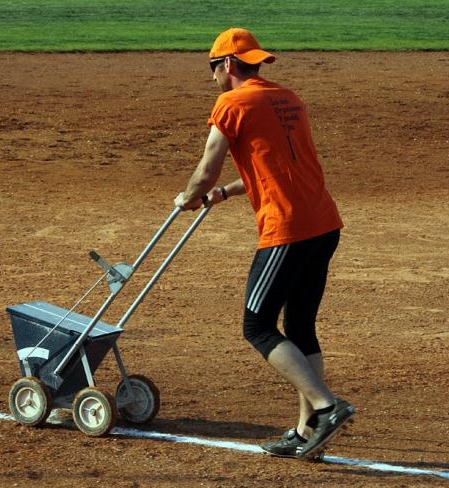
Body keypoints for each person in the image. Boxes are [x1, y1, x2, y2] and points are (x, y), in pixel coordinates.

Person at [174, 27, 355, 460]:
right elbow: (275, 166)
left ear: (228, 65)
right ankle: (305, 429)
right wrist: (226, 194)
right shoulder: (288, 98)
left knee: (256, 326)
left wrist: (191, 195)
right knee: (300, 327)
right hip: (323, 224)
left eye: (213, 67)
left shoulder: (231, 103)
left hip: (287, 231)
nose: (213, 76)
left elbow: (205, 170)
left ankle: (328, 407)